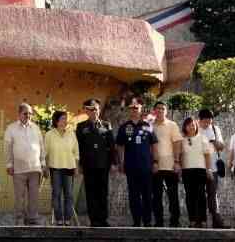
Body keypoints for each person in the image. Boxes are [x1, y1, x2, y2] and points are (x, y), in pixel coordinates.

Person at [116, 97, 157, 227]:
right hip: (130, 167)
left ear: (140, 109)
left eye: (136, 108)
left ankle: (147, 221)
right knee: (133, 196)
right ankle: (136, 221)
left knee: (147, 195)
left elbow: (154, 145)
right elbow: (120, 146)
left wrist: (155, 162)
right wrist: (121, 162)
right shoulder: (124, 127)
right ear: (129, 110)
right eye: (132, 108)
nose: (134, 110)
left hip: (146, 167)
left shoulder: (148, 126)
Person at [76, 98, 116, 227]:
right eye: (91, 109)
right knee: (90, 192)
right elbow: (79, 147)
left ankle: (103, 219)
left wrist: (114, 163)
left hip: (103, 165)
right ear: (87, 111)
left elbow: (112, 146)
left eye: (97, 109)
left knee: (103, 192)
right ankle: (93, 219)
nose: (95, 112)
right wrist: (80, 165)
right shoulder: (81, 127)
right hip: (88, 165)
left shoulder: (106, 125)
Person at [4, 102, 45, 226]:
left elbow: (41, 146)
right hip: (19, 169)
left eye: (30, 114)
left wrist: (43, 163)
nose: (28, 116)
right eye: (25, 113)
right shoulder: (11, 128)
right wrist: (9, 165)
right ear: (19, 114)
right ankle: (19, 219)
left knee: (34, 196)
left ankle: (32, 218)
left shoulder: (36, 128)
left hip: (35, 168)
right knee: (19, 196)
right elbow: (7, 147)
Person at [44, 110, 80, 226]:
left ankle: (68, 219)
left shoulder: (71, 133)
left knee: (69, 194)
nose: (65, 121)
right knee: (56, 194)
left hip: (69, 168)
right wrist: (45, 168)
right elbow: (45, 153)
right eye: (63, 118)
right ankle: (59, 219)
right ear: (56, 120)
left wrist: (76, 167)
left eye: (66, 118)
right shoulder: (49, 134)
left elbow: (76, 152)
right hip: (55, 168)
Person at [151, 101, 182, 227]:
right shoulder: (149, 125)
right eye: (158, 108)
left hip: (170, 166)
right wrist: (153, 162)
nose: (160, 111)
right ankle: (159, 222)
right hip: (155, 166)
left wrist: (177, 162)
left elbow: (177, 144)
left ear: (166, 111)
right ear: (154, 110)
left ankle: (175, 221)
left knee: (173, 196)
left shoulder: (172, 125)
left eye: (163, 108)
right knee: (156, 196)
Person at [180, 117, 213, 228]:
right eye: (189, 124)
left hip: (200, 170)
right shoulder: (182, 140)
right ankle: (192, 220)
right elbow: (180, 156)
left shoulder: (202, 138)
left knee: (201, 195)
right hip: (186, 171)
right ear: (185, 127)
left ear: (196, 125)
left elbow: (207, 155)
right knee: (190, 196)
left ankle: (203, 220)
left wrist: (208, 169)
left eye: (193, 124)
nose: (191, 126)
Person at [198, 108, 225, 228]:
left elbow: (221, 146)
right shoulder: (195, 128)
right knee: (199, 195)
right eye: (205, 120)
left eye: (210, 120)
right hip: (197, 167)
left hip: (213, 167)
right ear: (200, 120)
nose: (208, 123)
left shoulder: (215, 129)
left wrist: (213, 141)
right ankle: (201, 221)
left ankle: (216, 222)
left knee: (213, 195)